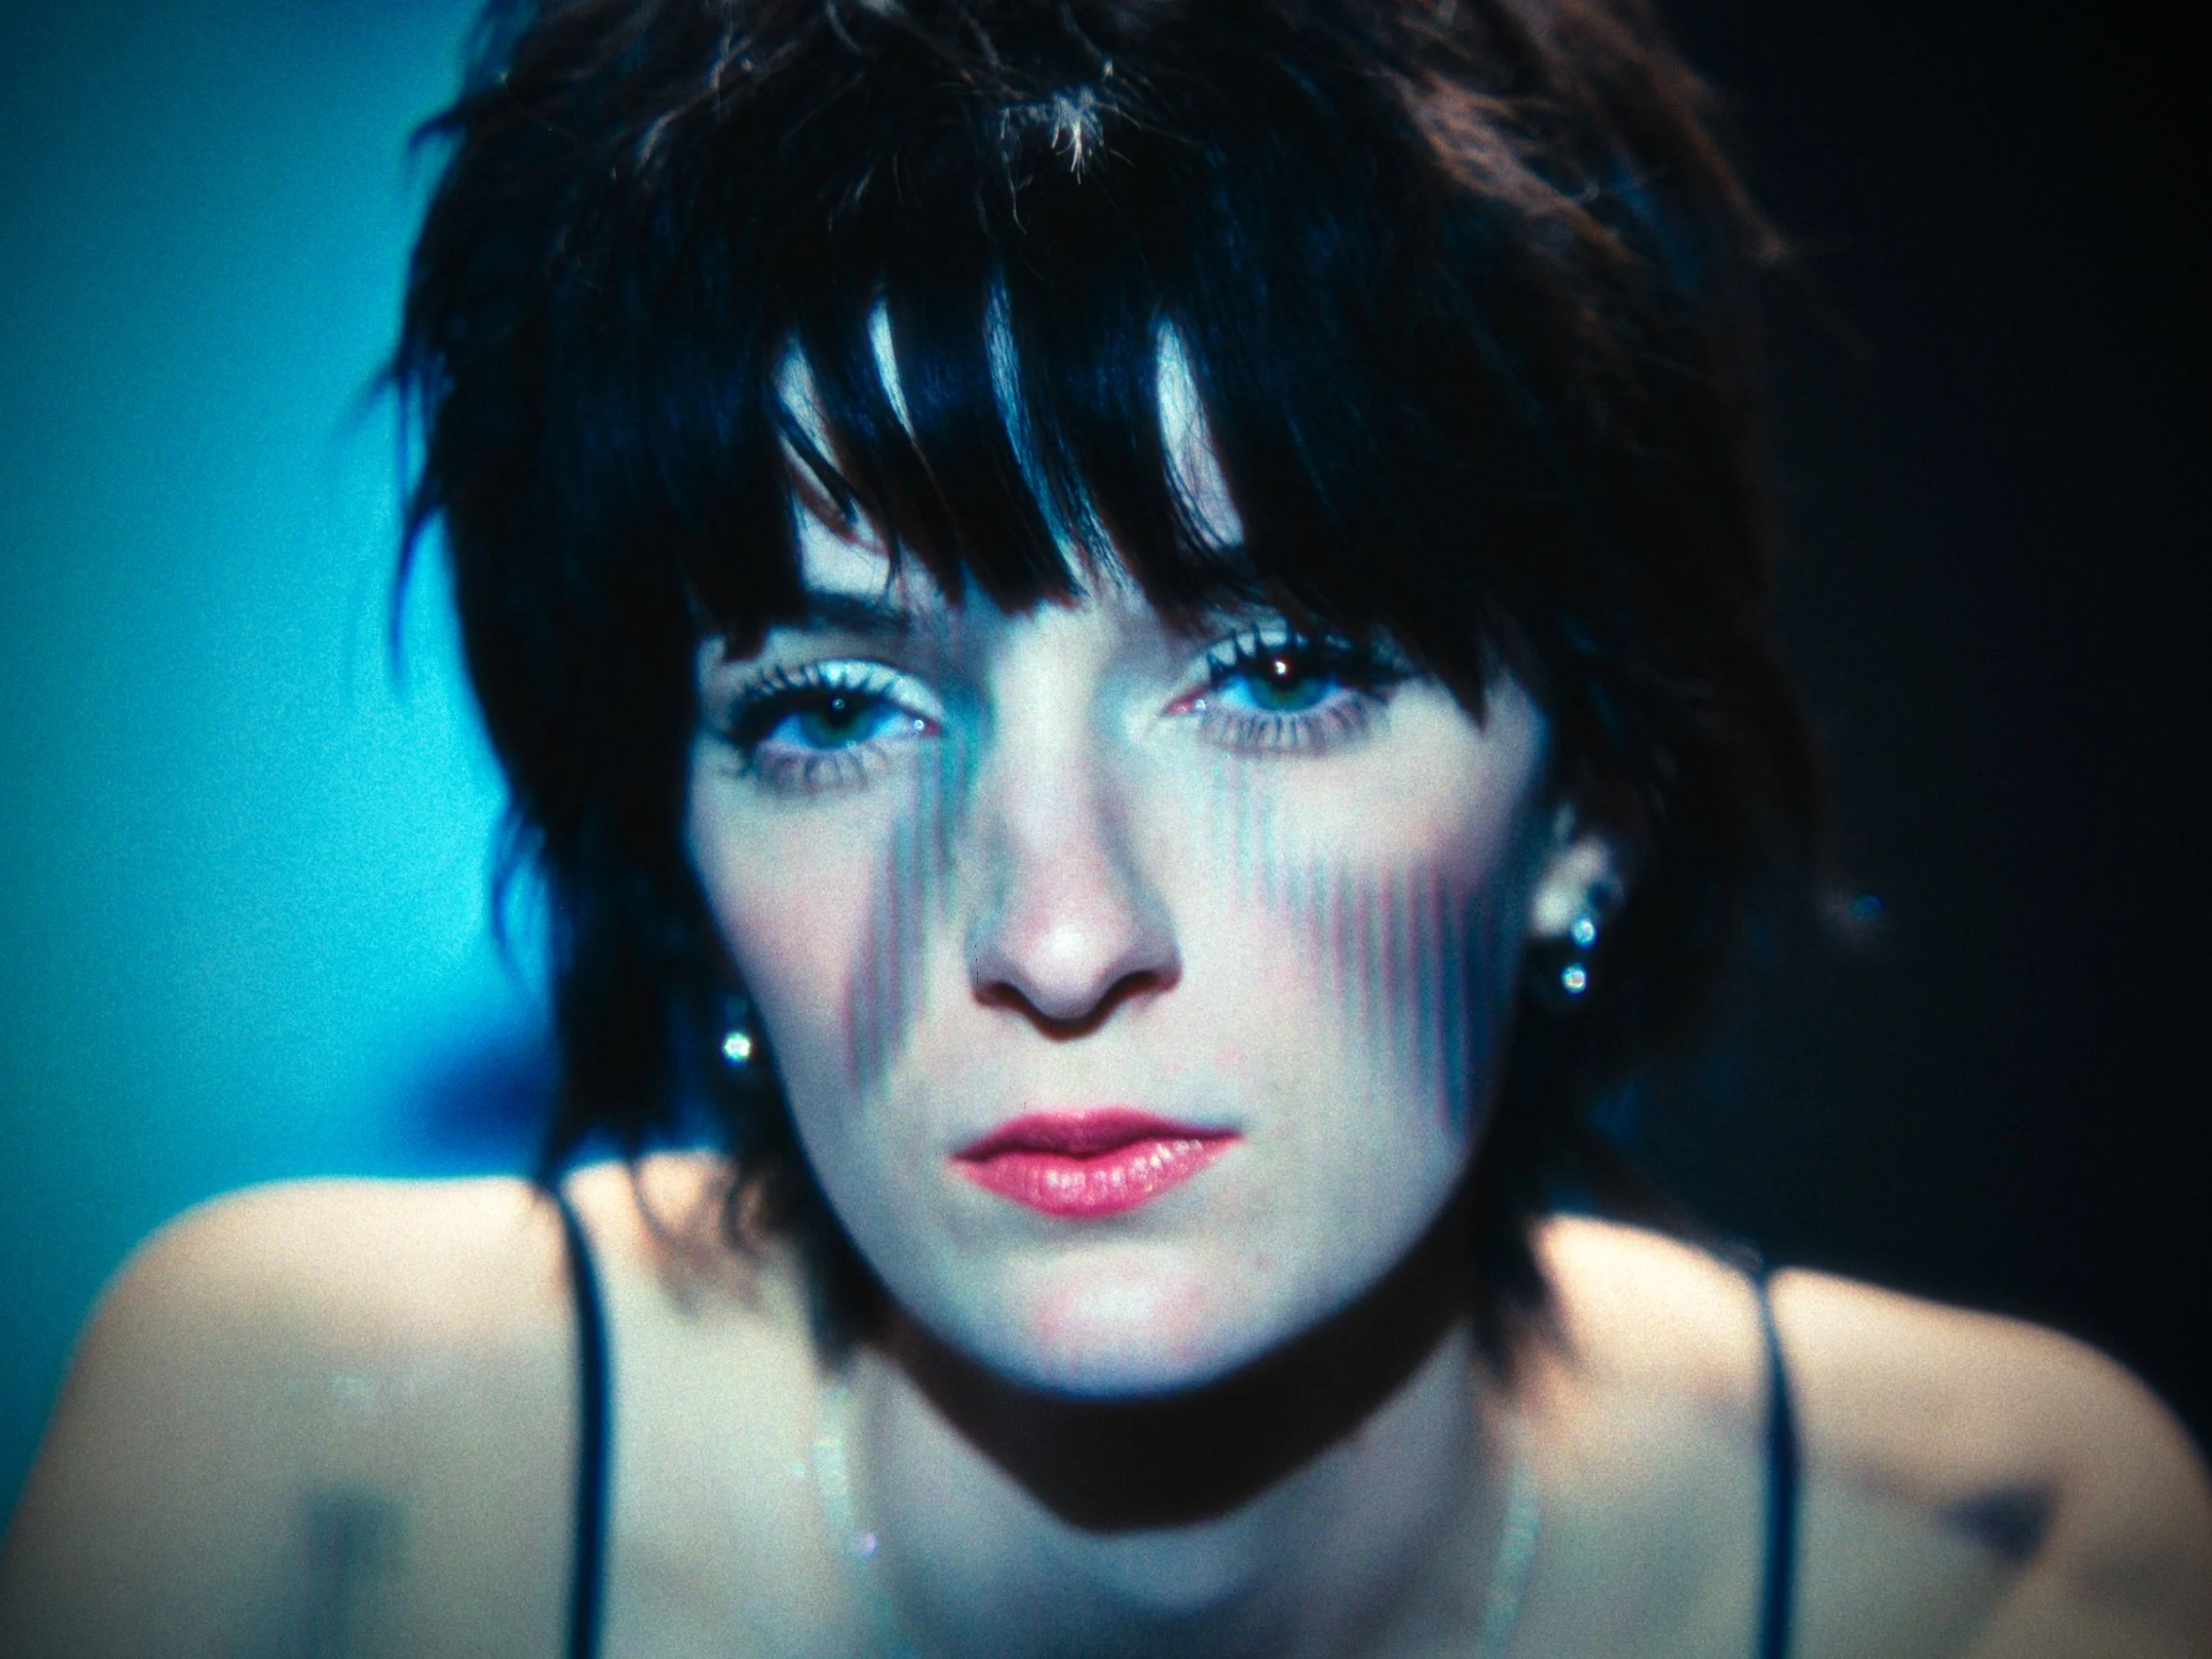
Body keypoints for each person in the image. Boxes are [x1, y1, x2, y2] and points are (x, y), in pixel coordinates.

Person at [3, 0, 2207, 1653]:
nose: (1054, 933)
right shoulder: (320, 1479)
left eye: (1273, 676)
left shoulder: (1996, 1561)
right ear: (672, 848)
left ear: (1589, 803)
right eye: (834, 707)